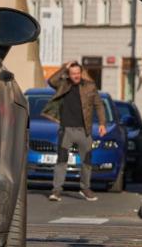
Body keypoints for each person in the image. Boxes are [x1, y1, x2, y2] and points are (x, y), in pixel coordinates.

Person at [42, 61, 107, 202]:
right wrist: (64, 68)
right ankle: (56, 191)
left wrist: (102, 123)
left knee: (86, 161)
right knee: (62, 161)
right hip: (67, 130)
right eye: (73, 73)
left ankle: (85, 188)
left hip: (84, 130)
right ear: (69, 74)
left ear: (81, 72)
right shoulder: (63, 84)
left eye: (78, 73)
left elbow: (99, 105)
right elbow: (51, 81)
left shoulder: (90, 86)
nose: (76, 76)